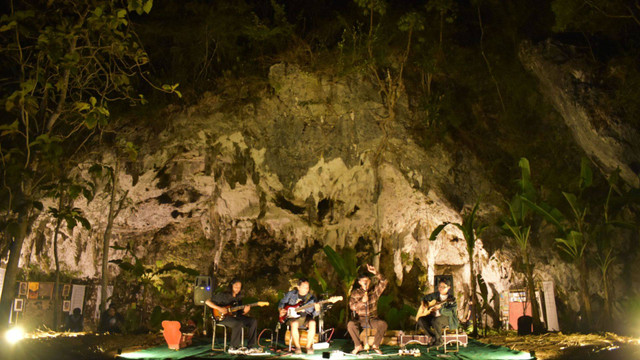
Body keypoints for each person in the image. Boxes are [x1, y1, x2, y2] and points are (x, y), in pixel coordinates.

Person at [205, 278, 260, 354]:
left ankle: (251, 347)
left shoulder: (238, 298)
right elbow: (207, 301)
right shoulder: (223, 295)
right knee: (238, 323)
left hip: (234, 316)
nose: (237, 289)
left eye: (239, 287)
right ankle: (233, 348)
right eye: (236, 286)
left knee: (253, 321)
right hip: (222, 317)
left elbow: (239, 313)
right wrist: (219, 308)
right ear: (231, 286)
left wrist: (245, 311)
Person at [348, 264, 388, 355]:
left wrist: (376, 272)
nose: (365, 282)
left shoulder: (374, 291)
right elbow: (352, 306)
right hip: (360, 319)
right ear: (359, 282)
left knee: (383, 324)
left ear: (370, 281)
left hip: (372, 318)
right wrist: (362, 302)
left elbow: (384, 281)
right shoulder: (355, 293)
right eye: (363, 281)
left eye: (367, 280)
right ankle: (358, 345)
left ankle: (375, 346)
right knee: (350, 325)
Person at [278, 278, 321, 354]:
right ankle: (298, 347)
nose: (306, 289)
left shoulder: (312, 298)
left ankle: (308, 346)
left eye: (307, 287)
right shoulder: (291, 294)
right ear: (298, 287)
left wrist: (317, 309)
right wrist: (281, 310)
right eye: (304, 287)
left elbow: (315, 314)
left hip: (305, 318)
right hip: (293, 318)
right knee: (294, 324)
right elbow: (282, 302)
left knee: (313, 323)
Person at [417, 279, 458, 346]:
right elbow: (423, 298)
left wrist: (440, 308)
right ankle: (432, 337)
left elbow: (450, 312)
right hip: (434, 317)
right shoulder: (435, 295)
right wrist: (424, 304)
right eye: (439, 286)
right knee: (421, 320)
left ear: (448, 288)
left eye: (443, 287)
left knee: (436, 320)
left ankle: (439, 340)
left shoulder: (451, 299)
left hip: (447, 318)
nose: (441, 288)